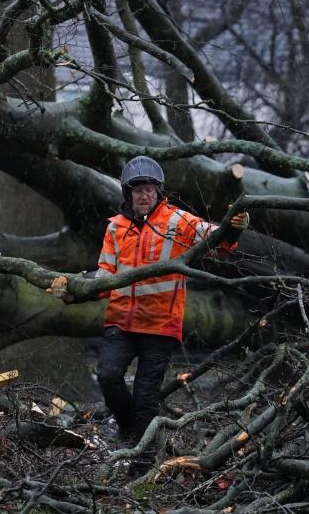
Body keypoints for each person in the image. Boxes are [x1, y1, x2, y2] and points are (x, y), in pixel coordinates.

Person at [95, 156, 249, 446]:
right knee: (107, 376)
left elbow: (216, 239)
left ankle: (142, 464)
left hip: (159, 326)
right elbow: (104, 274)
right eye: (138, 189)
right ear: (128, 193)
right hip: (121, 322)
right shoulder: (115, 227)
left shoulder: (177, 221)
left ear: (158, 192)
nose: (144, 195)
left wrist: (234, 227)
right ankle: (128, 430)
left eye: (150, 189)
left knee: (145, 398)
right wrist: (79, 288)